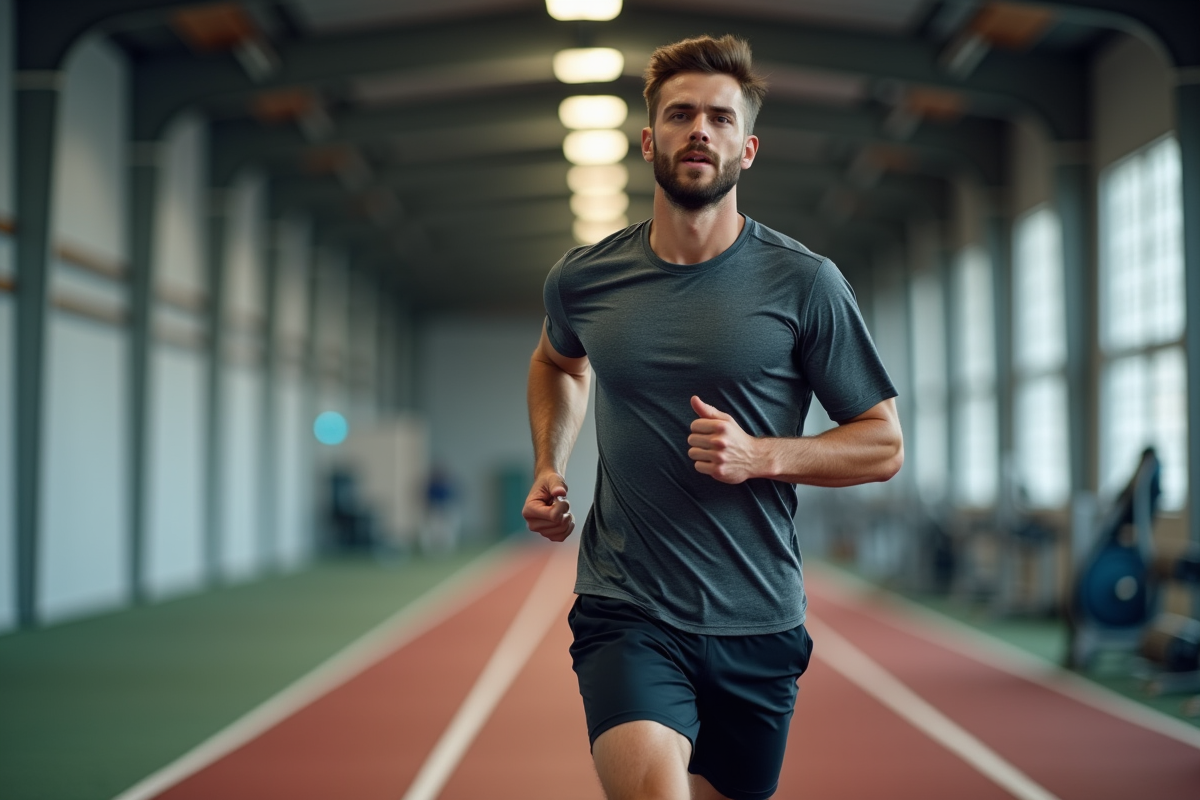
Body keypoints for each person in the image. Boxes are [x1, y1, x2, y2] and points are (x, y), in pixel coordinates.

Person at [523, 34, 903, 800]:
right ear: (648, 139)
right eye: (681, 113)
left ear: (748, 147)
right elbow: (559, 363)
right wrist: (547, 464)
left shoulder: (807, 284)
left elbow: (882, 443)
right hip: (628, 607)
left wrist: (763, 455)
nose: (701, 129)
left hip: (758, 618)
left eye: (721, 118)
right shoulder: (585, 278)